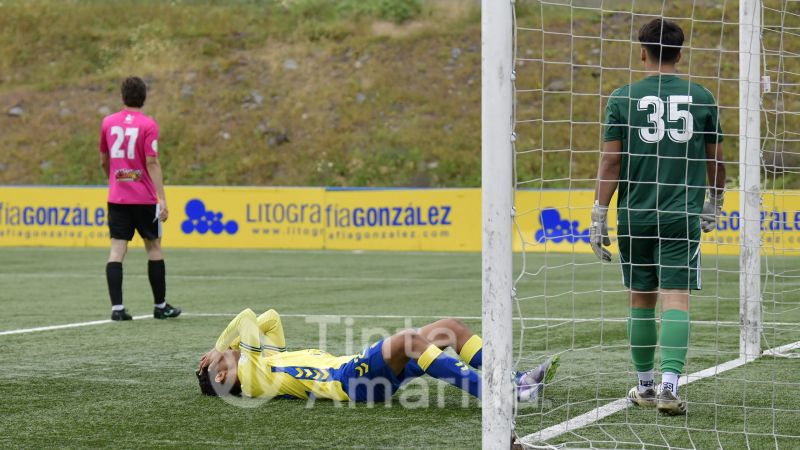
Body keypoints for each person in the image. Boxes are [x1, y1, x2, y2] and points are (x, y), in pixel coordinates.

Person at [589, 18, 725, 416]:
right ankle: (670, 387)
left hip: (635, 215)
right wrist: (714, 200)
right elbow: (715, 159)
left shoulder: (621, 98)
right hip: (680, 215)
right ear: (680, 54)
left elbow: (611, 161)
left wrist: (599, 214)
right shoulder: (701, 97)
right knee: (676, 299)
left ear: (642, 52)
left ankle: (645, 386)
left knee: (641, 300)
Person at [196, 308, 559, 404]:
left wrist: (224, 349)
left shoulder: (262, 361)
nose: (225, 352)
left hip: (359, 372)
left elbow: (270, 317)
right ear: (223, 377)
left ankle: (514, 379)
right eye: (219, 361)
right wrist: (218, 345)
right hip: (349, 382)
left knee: (449, 328)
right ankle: (500, 396)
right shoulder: (254, 378)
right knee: (408, 339)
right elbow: (246, 317)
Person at [99, 76, 181, 321]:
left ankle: (117, 309)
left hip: (118, 198)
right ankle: (160, 305)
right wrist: (162, 199)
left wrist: (113, 179)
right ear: (143, 97)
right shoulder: (148, 125)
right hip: (144, 198)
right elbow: (152, 162)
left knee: (116, 250)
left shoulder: (108, 122)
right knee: (154, 247)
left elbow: (104, 160)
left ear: (122, 96)